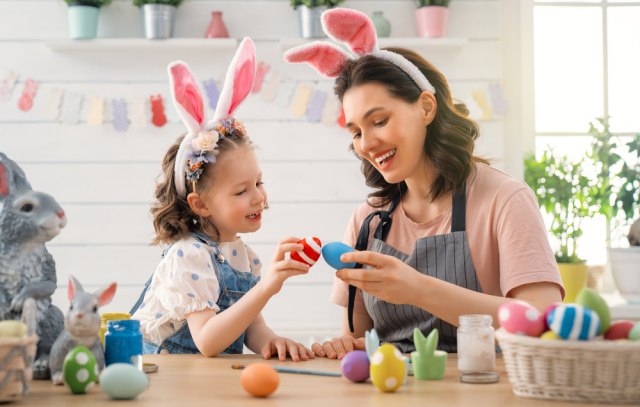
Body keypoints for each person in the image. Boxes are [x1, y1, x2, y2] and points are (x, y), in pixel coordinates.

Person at [285, 9, 563, 358]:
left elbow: (542, 321)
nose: (366, 143)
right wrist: (348, 346)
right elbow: (359, 340)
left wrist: (419, 289)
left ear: (427, 107)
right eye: (356, 132)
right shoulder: (367, 222)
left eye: (380, 121)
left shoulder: (505, 200)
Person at [131, 38, 314, 361]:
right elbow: (208, 341)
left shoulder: (244, 256)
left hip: (203, 379)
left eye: (258, 183)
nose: (259, 197)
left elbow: (250, 327)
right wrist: (267, 286)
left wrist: (272, 341)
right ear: (200, 204)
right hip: (167, 380)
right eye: (242, 191)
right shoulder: (188, 254)